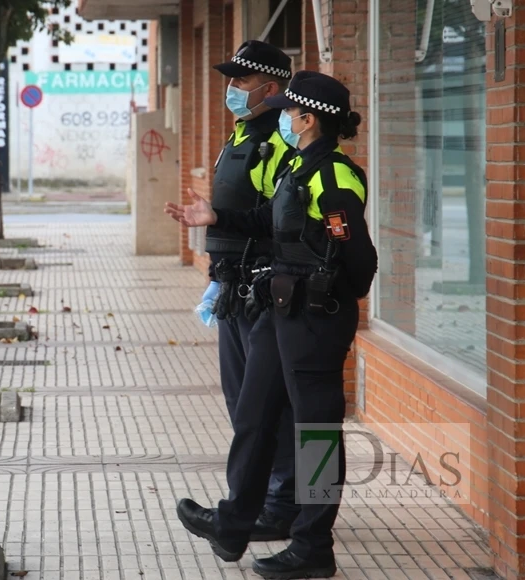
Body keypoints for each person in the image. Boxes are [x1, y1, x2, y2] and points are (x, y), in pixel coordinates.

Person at [165, 71, 377, 579]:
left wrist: (322, 296)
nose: (280, 117)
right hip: (280, 313)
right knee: (254, 414)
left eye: (287, 111)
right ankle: (234, 522)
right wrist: (215, 218)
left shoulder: (335, 177)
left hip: (315, 320)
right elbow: (268, 220)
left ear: (308, 119)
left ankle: (312, 546)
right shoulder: (300, 167)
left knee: (317, 433)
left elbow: (360, 263)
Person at [193, 40, 300, 542]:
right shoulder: (241, 135)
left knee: (275, 409)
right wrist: (218, 275)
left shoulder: (285, 149)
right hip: (239, 286)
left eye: (240, 81)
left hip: (274, 295)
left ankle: (288, 511)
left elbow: (276, 221)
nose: (231, 89)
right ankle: (272, 509)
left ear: (270, 88)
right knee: (246, 405)